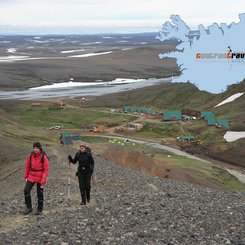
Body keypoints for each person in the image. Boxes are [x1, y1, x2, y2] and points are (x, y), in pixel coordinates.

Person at [23, 142, 49, 215]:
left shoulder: (43, 157)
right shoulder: (30, 156)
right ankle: (29, 208)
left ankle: (39, 209)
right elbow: (27, 166)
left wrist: (43, 180)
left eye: (37, 148)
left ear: (39, 148)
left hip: (40, 177)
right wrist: (26, 176)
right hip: (31, 176)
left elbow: (46, 169)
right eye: (34, 148)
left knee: (39, 193)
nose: (35, 149)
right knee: (26, 190)